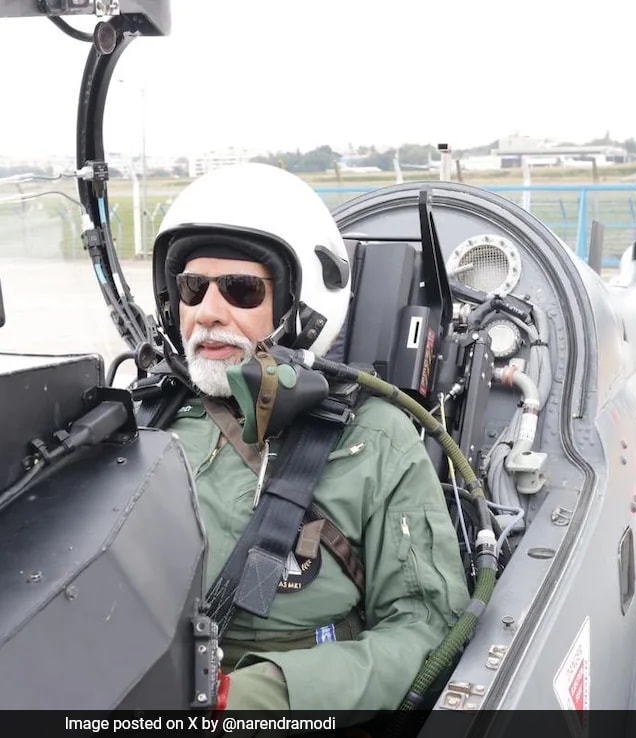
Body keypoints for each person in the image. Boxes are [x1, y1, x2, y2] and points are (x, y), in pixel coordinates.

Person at [146, 163, 470, 715]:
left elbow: (425, 625)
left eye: (242, 290)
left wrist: (256, 699)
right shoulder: (145, 420)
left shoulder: (374, 439)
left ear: (300, 307)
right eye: (192, 287)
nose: (206, 311)